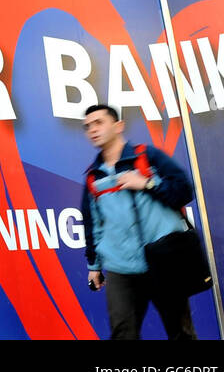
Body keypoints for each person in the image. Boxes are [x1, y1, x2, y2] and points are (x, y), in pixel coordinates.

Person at [80, 104, 197, 340]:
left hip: (163, 261)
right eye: (87, 127)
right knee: (123, 334)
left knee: (181, 333)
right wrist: (94, 266)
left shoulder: (148, 156)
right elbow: (92, 223)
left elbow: (184, 191)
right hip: (120, 268)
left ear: (118, 126)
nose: (92, 130)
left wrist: (147, 183)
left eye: (99, 123)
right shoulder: (94, 176)